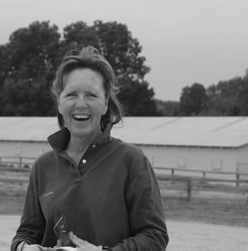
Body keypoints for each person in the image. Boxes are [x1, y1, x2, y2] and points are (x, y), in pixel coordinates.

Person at [11, 46, 169, 251]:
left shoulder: (131, 161)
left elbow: (154, 236)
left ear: (105, 104)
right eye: (71, 95)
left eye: (91, 95)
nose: (81, 104)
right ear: (59, 102)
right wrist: (23, 247)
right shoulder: (43, 166)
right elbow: (27, 232)